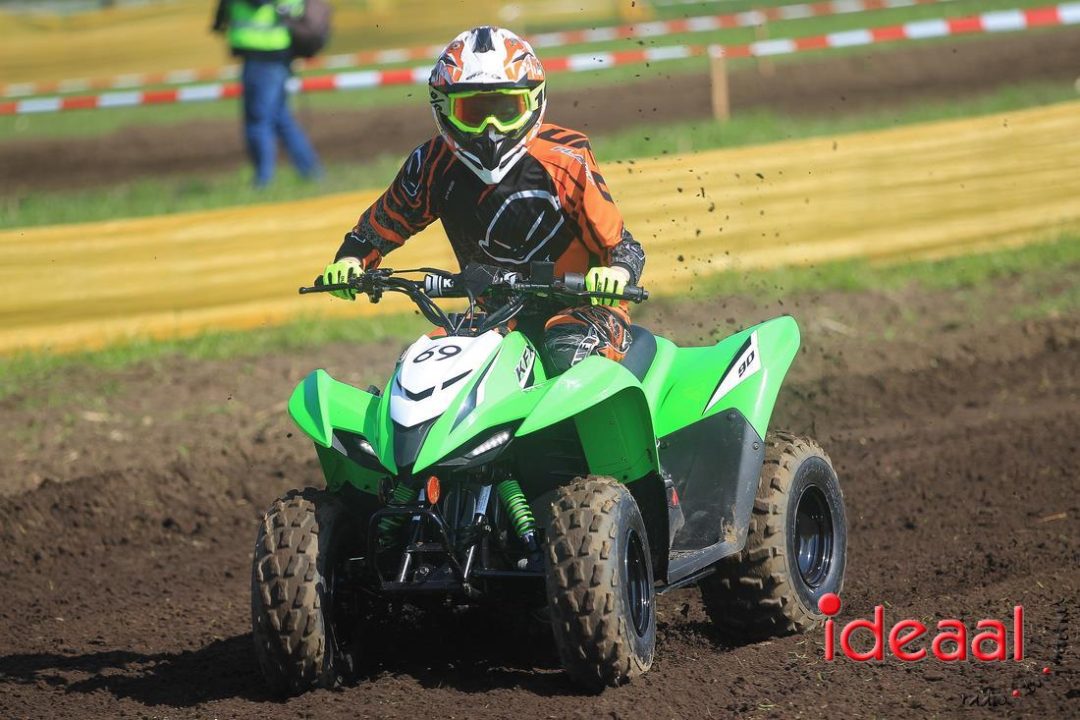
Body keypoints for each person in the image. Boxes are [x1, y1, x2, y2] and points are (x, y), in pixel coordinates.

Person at [320, 26, 645, 374]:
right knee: (425, 364)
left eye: (506, 109)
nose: (491, 129)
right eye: (473, 112)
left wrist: (617, 273)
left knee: (567, 352)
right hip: (495, 316)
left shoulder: (567, 157)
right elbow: (377, 230)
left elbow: (624, 247)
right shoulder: (431, 164)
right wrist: (350, 262)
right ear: (443, 108)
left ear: (534, 101)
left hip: (585, 310)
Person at [212, 0, 322, 187]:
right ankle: (312, 173)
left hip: (263, 53)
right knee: (280, 118)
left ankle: (263, 182)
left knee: (258, 121)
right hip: (272, 51)